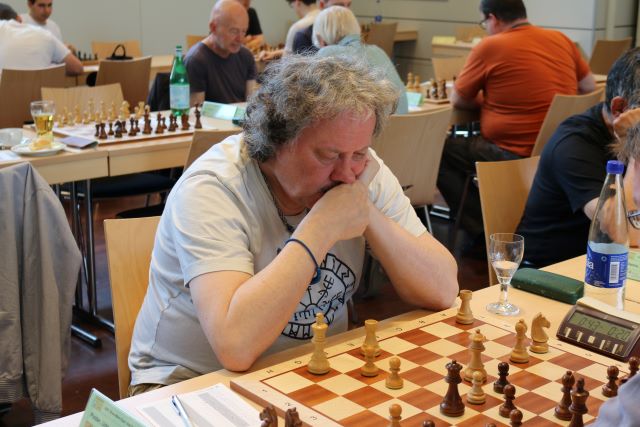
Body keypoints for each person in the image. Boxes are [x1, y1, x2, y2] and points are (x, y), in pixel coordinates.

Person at [127, 54, 459, 395]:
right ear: (276, 141)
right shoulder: (213, 188)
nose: (347, 174)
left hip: (308, 369)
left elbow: (444, 288)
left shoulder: (357, 172)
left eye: (360, 154)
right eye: (328, 155)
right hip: (188, 384)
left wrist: (365, 210)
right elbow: (235, 347)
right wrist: (323, 225)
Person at [437, 0, 596, 242]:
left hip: (512, 152)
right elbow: (589, 86)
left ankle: (485, 230)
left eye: (483, 23)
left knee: (438, 151)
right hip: (559, 149)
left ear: (493, 18)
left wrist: (488, 101)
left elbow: (458, 99)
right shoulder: (560, 39)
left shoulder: (490, 45)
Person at [517, 47, 640, 267]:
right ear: (620, 108)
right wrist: (634, 146)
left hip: (603, 263)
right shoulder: (574, 143)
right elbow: (626, 232)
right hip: (549, 270)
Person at [313, 6, 408, 114]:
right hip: (404, 123)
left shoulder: (327, 53)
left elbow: (316, 104)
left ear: (321, 38)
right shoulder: (378, 51)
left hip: (373, 124)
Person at [184, 0, 257, 106]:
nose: (240, 39)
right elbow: (196, 111)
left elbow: (252, 105)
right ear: (213, 28)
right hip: (210, 117)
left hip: (240, 116)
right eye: (234, 31)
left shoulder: (247, 56)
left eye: (243, 31)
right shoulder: (196, 60)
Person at [0, 3, 81, 75]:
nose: (47, 10)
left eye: (49, 5)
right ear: (19, 18)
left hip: (6, 87)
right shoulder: (46, 35)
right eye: (41, 5)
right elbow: (76, 67)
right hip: (40, 85)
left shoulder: (53, 27)